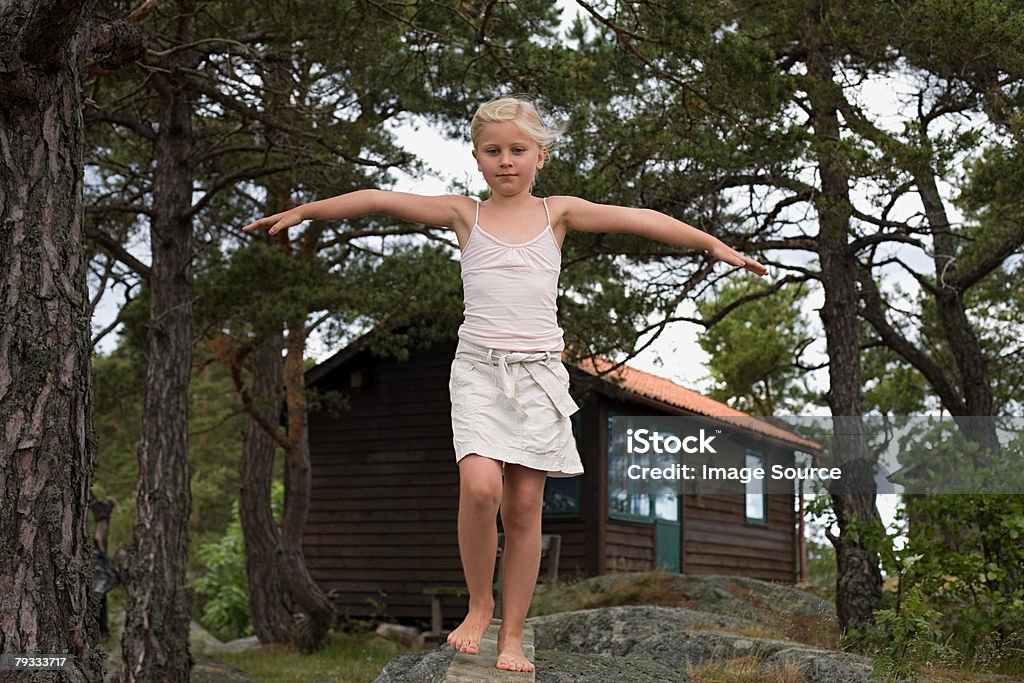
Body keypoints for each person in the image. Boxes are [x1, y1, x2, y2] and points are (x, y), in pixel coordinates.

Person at [243, 96, 767, 673]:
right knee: (481, 489)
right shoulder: (465, 215)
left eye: (518, 150)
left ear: (540, 156)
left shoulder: (558, 214)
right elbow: (380, 199)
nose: (506, 161)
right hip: (479, 372)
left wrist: (713, 245)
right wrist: (307, 211)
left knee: (523, 505)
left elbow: (641, 220)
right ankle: (479, 605)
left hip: (539, 374)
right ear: (477, 158)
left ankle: (512, 634)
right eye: (493, 151)